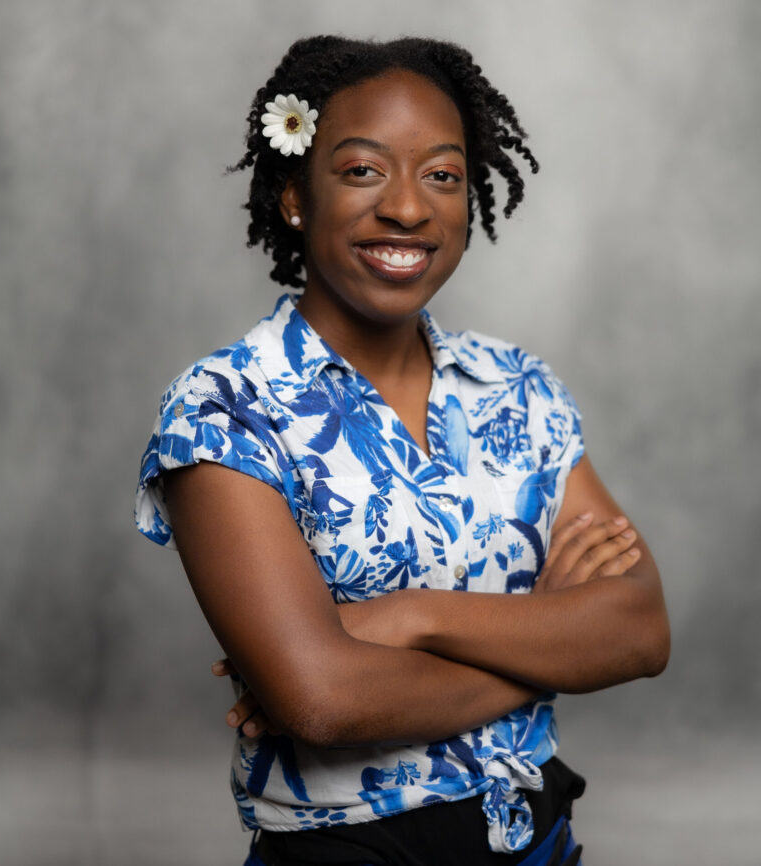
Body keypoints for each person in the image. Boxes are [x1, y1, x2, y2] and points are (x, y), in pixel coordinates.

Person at [134, 35, 669, 866]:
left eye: (443, 175)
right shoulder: (226, 408)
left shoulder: (517, 387)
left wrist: (406, 619)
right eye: (362, 170)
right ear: (293, 197)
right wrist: (551, 641)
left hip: (540, 843)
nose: (410, 209)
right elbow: (321, 703)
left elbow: (638, 630)